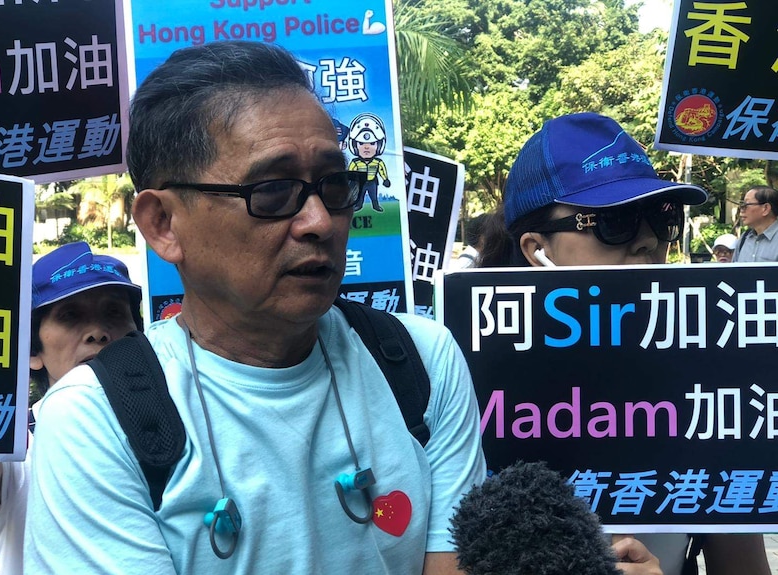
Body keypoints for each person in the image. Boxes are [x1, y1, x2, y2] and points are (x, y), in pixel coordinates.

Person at [24, 41, 486, 575]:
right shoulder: (95, 422)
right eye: (272, 191)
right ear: (163, 225)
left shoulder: (421, 362)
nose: (319, 221)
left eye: (334, 185)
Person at [477, 112, 771, 575]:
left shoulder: (709, 391)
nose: (649, 240)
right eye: (615, 222)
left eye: (661, 217)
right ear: (537, 249)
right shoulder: (459, 381)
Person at [0, 241, 141, 575]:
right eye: (70, 315)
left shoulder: (180, 422)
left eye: (114, 313)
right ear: (31, 351)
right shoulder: (18, 443)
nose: (98, 333)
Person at [732, 185, 778, 262]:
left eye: (746, 205)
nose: (741, 210)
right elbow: (734, 272)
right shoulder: (744, 238)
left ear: (765, 208)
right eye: (741, 205)